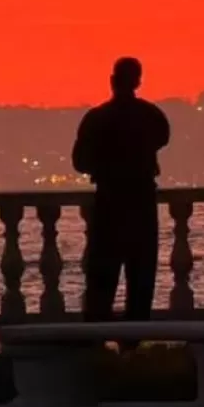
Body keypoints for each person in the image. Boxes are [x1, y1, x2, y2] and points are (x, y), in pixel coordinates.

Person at [73, 57, 170, 320]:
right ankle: (135, 345)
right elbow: (163, 137)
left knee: (102, 282)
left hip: (109, 203)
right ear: (138, 81)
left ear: (113, 81)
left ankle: (96, 343)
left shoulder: (96, 119)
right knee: (141, 282)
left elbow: (79, 162)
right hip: (141, 203)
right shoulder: (152, 117)